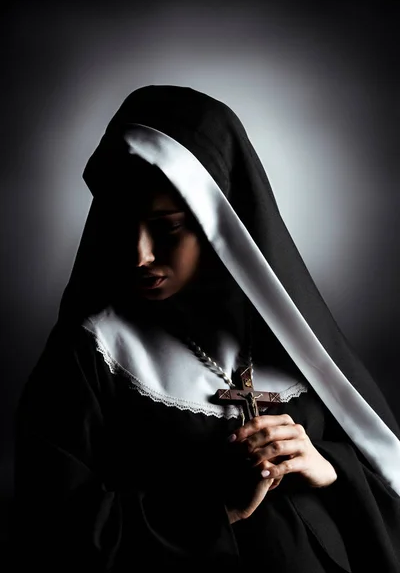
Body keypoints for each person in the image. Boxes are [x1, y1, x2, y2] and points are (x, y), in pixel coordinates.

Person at [11, 85, 400, 572]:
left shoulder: (289, 335)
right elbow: (50, 530)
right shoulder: (94, 352)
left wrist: (328, 468)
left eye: (168, 227)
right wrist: (216, 506)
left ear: (221, 222)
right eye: (121, 223)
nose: (140, 255)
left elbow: (385, 490)